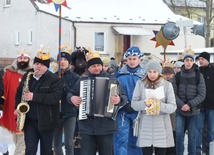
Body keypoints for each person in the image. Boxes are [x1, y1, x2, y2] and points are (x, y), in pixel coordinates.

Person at [67, 51, 127, 155]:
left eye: (99, 65)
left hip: (106, 126)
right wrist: (72, 98)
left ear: (102, 66)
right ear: (88, 68)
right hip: (87, 126)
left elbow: (124, 97)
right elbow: (70, 94)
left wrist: (119, 100)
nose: (97, 68)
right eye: (94, 66)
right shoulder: (83, 80)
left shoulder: (112, 79)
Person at [15, 48, 63, 155]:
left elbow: (55, 98)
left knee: (46, 151)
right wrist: (18, 107)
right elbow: (19, 93)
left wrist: (34, 96)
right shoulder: (27, 76)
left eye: (42, 64)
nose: (38, 66)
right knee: (30, 150)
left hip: (47, 121)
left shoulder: (54, 79)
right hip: (30, 121)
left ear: (47, 67)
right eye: (36, 63)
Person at [131, 60, 177, 155]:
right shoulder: (140, 84)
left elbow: (173, 107)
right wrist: (144, 103)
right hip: (145, 126)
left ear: (159, 72)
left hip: (162, 126)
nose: (152, 74)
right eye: (150, 72)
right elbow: (134, 104)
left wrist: (160, 105)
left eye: (155, 72)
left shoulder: (167, 85)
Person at [171, 51, 206, 155]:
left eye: (191, 60)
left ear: (193, 62)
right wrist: (182, 105)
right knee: (179, 135)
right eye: (187, 60)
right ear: (184, 62)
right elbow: (173, 93)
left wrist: (189, 105)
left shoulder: (199, 76)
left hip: (194, 111)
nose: (189, 62)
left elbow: (202, 94)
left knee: (192, 137)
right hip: (180, 111)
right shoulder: (177, 76)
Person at [114, 46, 147, 155]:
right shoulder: (119, 74)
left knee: (136, 141)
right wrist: (123, 103)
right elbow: (114, 91)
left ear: (139, 59)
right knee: (121, 139)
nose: (132, 61)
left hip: (139, 113)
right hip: (122, 112)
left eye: (134, 59)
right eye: (129, 59)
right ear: (126, 60)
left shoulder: (145, 75)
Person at [0, 49, 33, 155]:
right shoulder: (9, 73)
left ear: (29, 59)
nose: (22, 60)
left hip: (28, 112)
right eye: (20, 58)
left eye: (25, 58)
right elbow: (3, 89)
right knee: (17, 138)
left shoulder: (32, 74)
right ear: (17, 59)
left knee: (23, 142)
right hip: (12, 110)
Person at [53, 47, 80, 155]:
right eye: (60, 60)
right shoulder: (53, 76)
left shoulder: (75, 77)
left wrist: (63, 86)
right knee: (56, 144)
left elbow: (75, 93)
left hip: (70, 113)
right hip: (56, 113)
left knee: (69, 143)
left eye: (65, 60)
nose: (62, 62)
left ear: (69, 62)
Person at [196, 52, 214, 155]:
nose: (200, 61)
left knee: (211, 130)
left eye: (202, 58)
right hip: (199, 105)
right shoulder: (197, 71)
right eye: (199, 59)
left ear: (207, 59)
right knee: (198, 128)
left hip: (211, 106)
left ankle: (209, 150)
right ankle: (198, 150)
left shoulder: (213, 71)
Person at [162, 61, 176, 155]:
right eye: (166, 74)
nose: (168, 76)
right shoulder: (160, 84)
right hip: (162, 112)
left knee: (172, 134)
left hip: (173, 114)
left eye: (170, 74)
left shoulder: (174, 83)